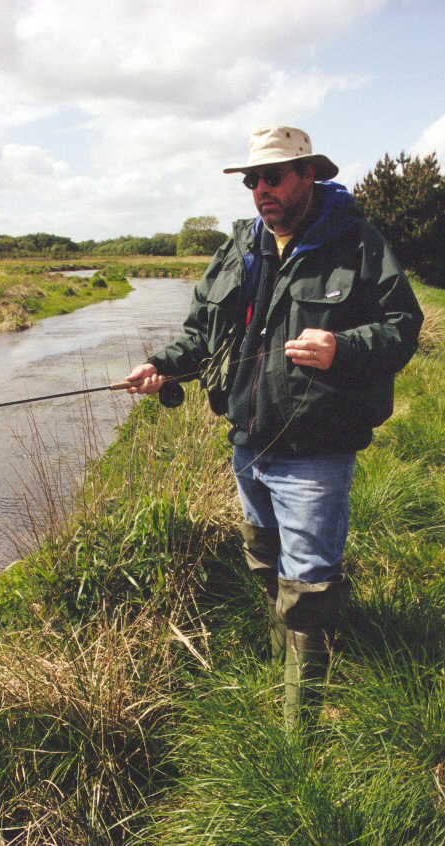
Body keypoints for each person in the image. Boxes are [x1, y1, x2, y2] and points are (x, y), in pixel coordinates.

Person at [126, 125, 424, 729]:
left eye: (272, 176)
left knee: (309, 586)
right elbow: (200, 335)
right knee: (265, 561)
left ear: (309, 175)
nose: (260, 189)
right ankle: (284, 665)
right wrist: (160, 366)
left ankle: (298, 735)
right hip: (247, 445)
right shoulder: (238, 250)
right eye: (251, 179)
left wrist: (344, 346)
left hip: (317, 451)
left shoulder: (359, 244)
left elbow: (403, 326)